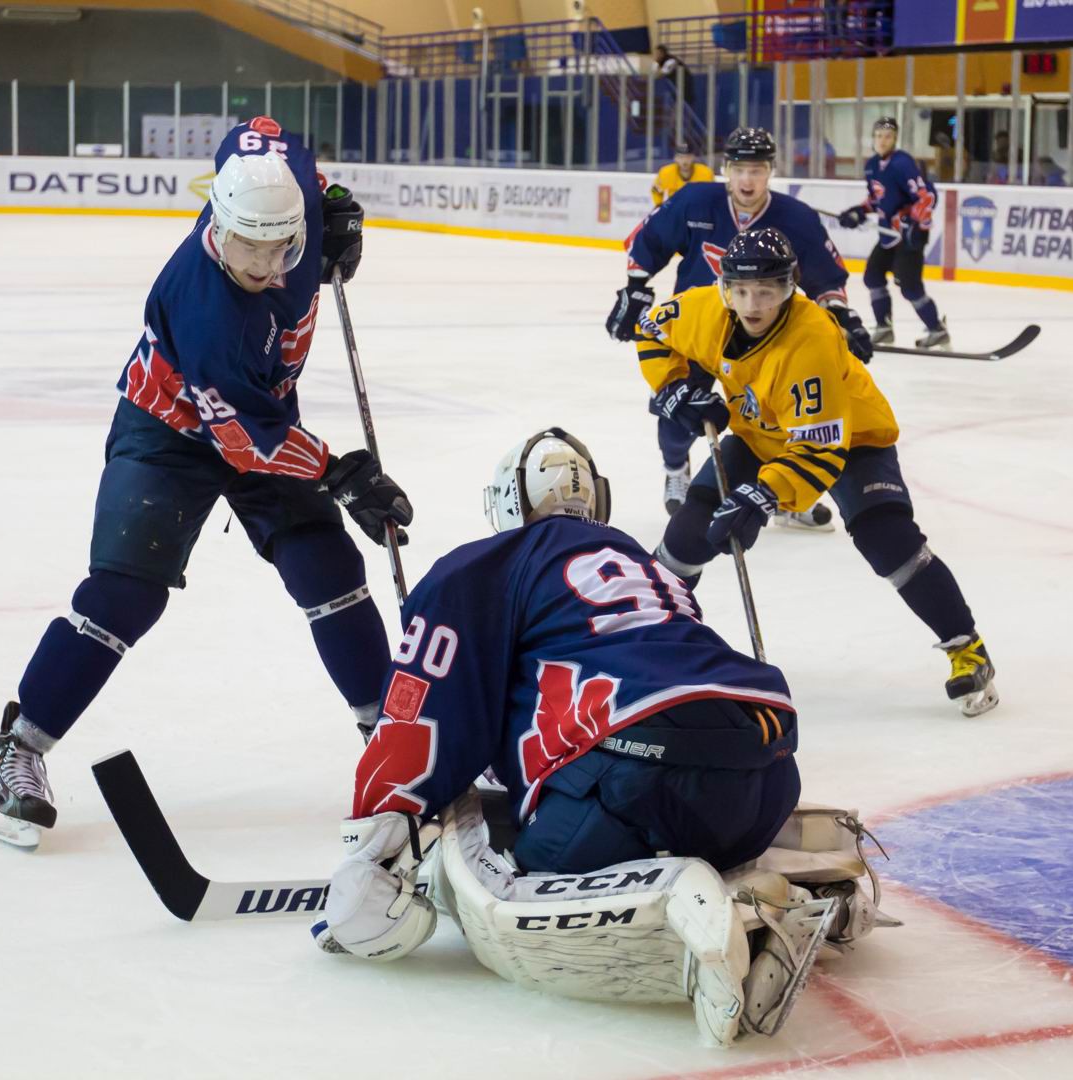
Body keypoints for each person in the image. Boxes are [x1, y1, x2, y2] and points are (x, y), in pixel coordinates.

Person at [310, 430, 887, 1046]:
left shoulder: (481, 567)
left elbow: (427, 719)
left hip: (631, 773)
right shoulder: (640, 563)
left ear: (507, 503)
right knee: (697, 811)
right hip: (768, 766)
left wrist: (374, 845)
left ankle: (713, 921)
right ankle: (813, 894)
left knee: (513, 885)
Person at [0, 117, 414, 850]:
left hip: (261, 410)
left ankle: (393, 748)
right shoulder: (203, 308)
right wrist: (342, 475)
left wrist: (332, 200)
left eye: (285, 248)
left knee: (327, 568)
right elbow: (246, 440)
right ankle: (15, 750)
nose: (271, 267)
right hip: (168, 427)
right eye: (252, 251)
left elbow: (259, 131)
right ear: (220, 227)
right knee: (125, 591)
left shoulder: (276, 186)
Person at [638, 228, 998, 717]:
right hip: (762, 432)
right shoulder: (704, 310)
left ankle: (966, 647)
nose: (752, 304)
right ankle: (642, 635)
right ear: (725, 287)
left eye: (766, 291)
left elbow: (817, 454)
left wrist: (762, 496)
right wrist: (677, 387)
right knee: (690, 531)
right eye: (741, 290)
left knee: (887, 540)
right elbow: (651, 328)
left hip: (851, 439)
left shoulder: (810, 342)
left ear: (789, 290)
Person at [607, 126, 869, 528]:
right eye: (740, 169)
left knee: (777, 419)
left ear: (771, 172)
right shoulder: (695, 201)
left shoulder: (795, 218)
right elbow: (649, 240)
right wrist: (636, 288)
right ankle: (676, 469)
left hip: (768, 337)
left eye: (758, 170)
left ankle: (785, 493)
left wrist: (843, 317)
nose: (748, 180)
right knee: (679, 412)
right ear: (725, 169)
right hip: (697, 334)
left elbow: (826, 279)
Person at [836, 116, 948, 349]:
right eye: (878, 136)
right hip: (888, 235)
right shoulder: (872, 166)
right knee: (873, 277)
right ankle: (884, 328)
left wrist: (916, 225)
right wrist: (859, 212)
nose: (882, 141)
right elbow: (877, 200)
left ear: (894, 139)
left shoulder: (902, 163)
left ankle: (937, 330)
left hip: (909, 236)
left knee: (909, 286)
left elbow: (926, 197)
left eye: (887, 136)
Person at [651, 137, 713, 207]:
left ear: (694, 157)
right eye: (681, 157)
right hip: (675, 209)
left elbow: (712, 194)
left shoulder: (705, 173)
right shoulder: (666, 172)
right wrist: (659, 205)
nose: (684, 161)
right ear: (675, 158)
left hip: (697, 209)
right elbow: (655, 190)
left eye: (688, 157)